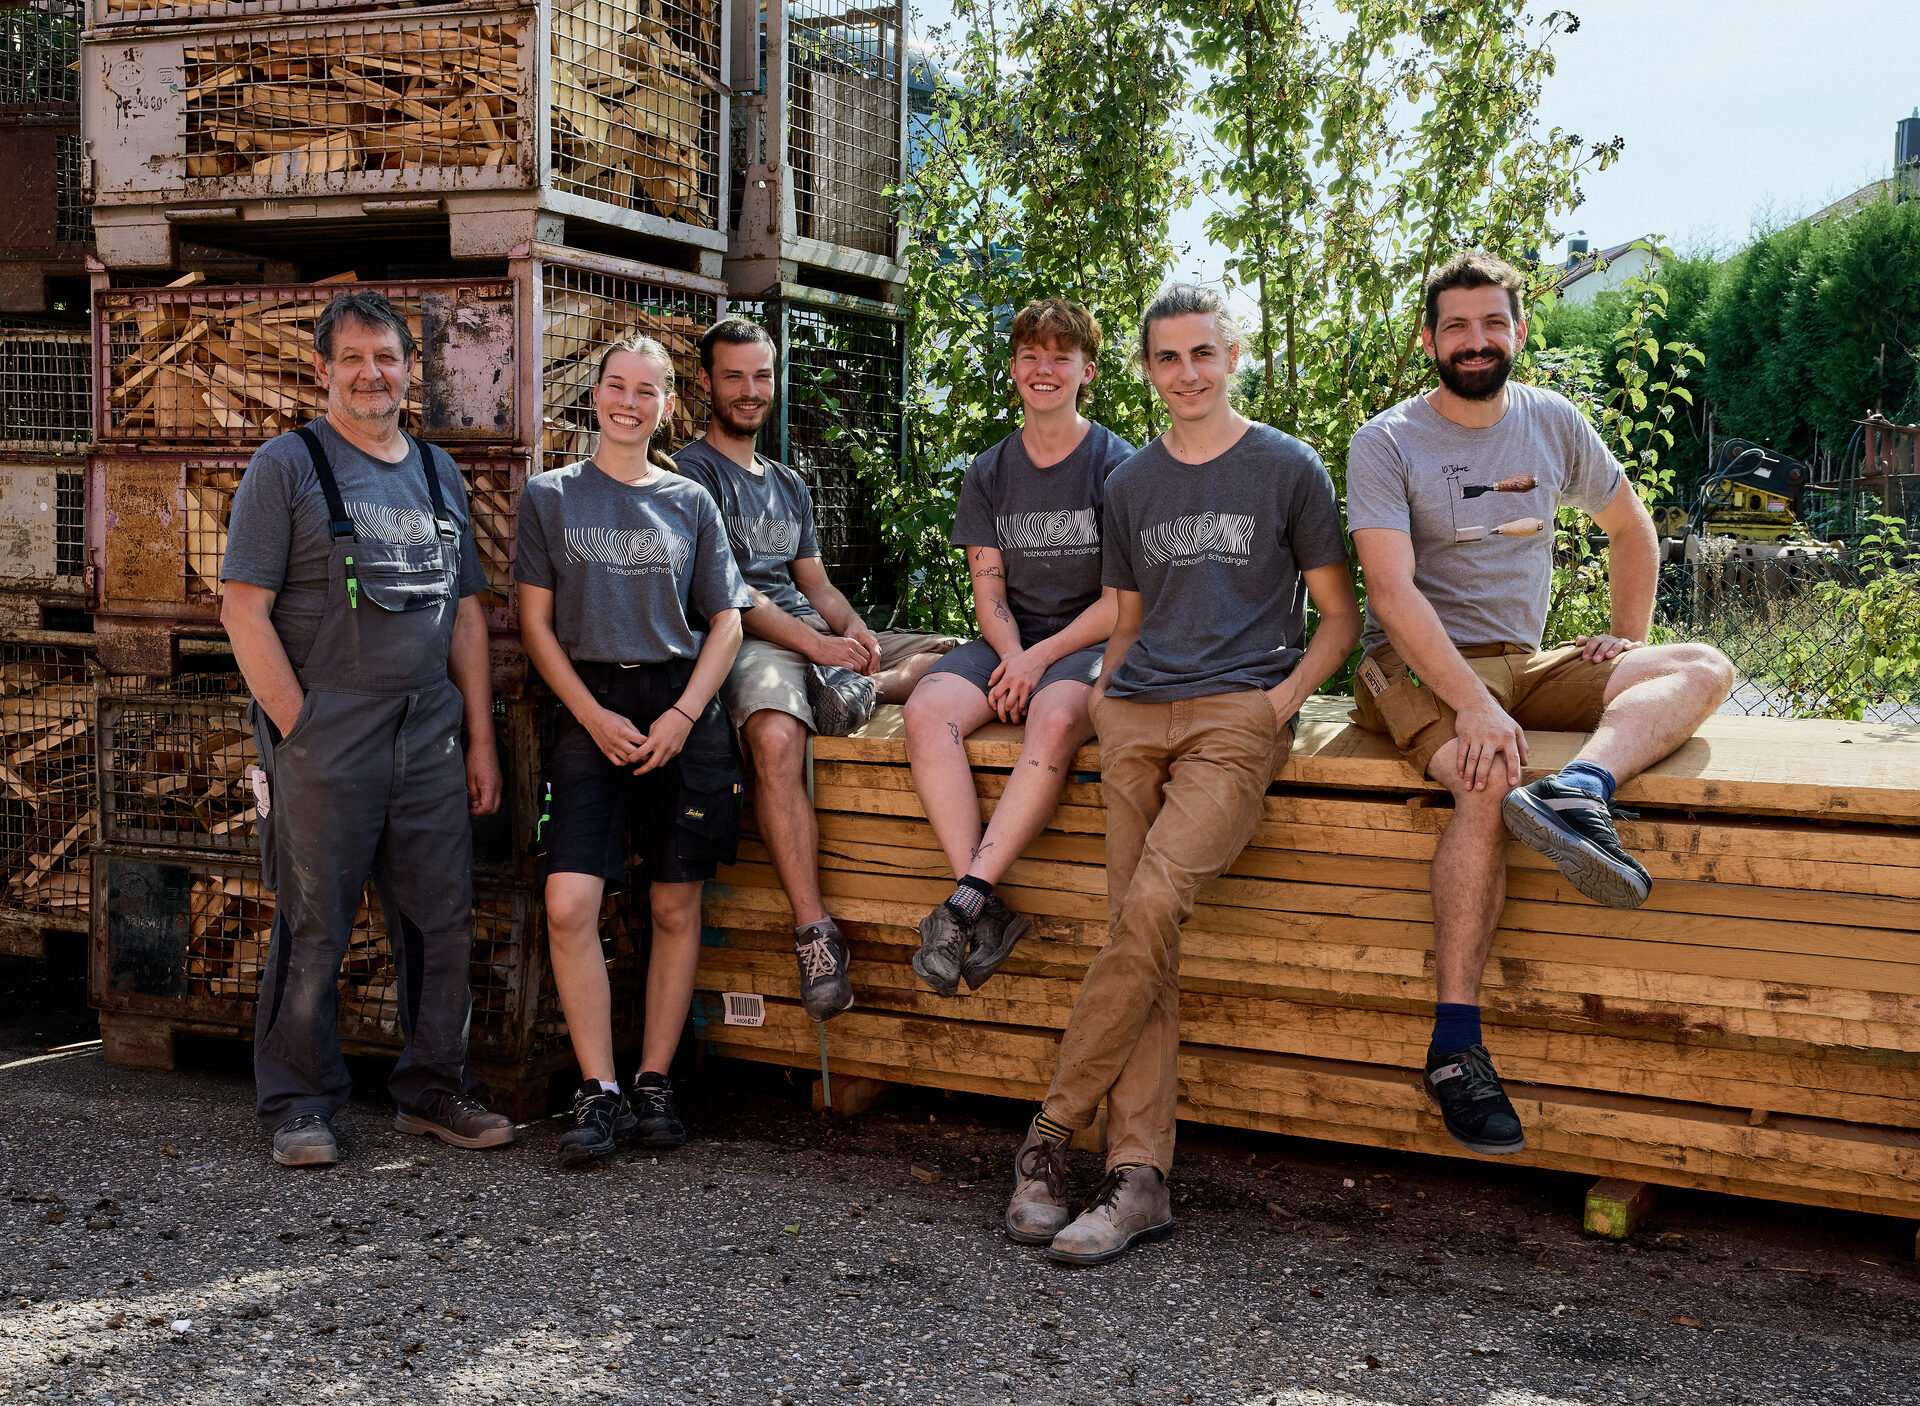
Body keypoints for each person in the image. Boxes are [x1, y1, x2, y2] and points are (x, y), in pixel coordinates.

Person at [1345, 250, 1735, 1157]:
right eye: (1455, 326)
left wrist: (1625, 637)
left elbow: (1630, 526)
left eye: (1491, 324)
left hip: (1523, 663)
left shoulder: (1551, 420)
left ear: (1519, 332)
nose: (1474, 341)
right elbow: (1394, 597)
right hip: (1411, 663)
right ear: (1429, 340)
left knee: (1702, 665)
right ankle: (1454, 1049)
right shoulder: (1389, 440)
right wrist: (1474, 710)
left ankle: (1583, 789)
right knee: (1487, 775)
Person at [1004, 285, 1360, 1265]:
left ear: (1233, 353)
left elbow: (1339, 617)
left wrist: (1273, 707)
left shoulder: (1287, 467)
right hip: (1135, 717)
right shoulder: (1130, 484)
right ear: (1148, 368)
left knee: (1152, 904)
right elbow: (1125, 614)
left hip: (1235, 721)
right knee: (1141, 930)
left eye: (1203, 352)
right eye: (1168, 358)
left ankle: (1047, 1138)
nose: (1187, 373)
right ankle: (1138, 1178)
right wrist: (1109, 703)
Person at [222, 289, 513, 1168]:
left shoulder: (436, 472)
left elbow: (465, 617)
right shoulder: (287, 465)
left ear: (410, 369)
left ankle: (432, 1089)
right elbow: (243, 611)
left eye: (386, 357)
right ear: (322, 370)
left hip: (429, 730)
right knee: (316, 919)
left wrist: (479, 738)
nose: (370, 373)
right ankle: (298, 1102)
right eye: (351, 358)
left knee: (441, 916)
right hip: (328, 729)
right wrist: (298, 725)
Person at [674, 317, 960, 1021]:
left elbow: (817, 582)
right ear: (706, 382)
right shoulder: (689, 476)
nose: (749, 391)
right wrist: (817, 647)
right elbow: (727, 595)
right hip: (747, 639)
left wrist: (854, 633)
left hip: (808, 632)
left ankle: (867, 684)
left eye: (761, 376)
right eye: (734, 376)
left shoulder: (786, 482)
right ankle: (815, 932)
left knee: (963, 656)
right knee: (775, 737)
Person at [516, 332, 751, 1168]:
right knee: (571, 902)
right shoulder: (550, 498)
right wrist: (587, 714)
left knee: (674, 905)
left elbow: (725, 620)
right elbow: (535, 626)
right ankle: (599, 1090)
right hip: (589, 709)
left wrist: (687, 714)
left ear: (666, 405)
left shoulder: (690, 502)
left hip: (677, 711)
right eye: (617, 385)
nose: (629, 401)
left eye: (646, 390)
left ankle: (653, 1081)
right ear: (597, 394)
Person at [901, 299, 1132, 996]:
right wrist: (1011, 654)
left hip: (1089, 642)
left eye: (1061, 356)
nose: (1044, 369)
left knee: (1056, 718)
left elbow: (1123, 603)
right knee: (923, 711)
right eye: (1031, 355)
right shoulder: (990, 470)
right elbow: (989, 587)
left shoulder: (1116, 464)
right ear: (1012, 369)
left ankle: (965, 898)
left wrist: (1038, 659)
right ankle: (984, 905)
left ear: (1086, 371)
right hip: (1011, 640)